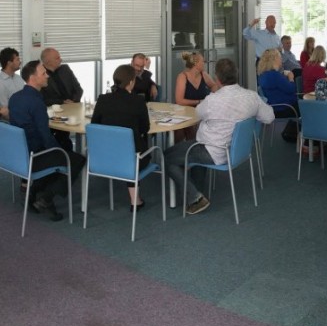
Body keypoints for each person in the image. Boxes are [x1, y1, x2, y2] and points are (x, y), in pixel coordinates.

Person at [163, 59, 274, 216]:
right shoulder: (252, 97)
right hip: (237, 151)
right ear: (236, 75)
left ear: (217, 78)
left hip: (211, 151)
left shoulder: (212, 100)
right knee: (192, 150)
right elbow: (269, 117)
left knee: (166, 157)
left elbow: (197, 114)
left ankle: (194, 197)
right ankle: (196, 190)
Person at [8, 60, 86, 220]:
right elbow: (46, 138)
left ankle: (33, 195)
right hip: (34, 155)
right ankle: (46, 197)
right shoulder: (36, 102)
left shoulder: (15, 98)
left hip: (17, 155)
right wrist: (61, 152)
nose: (47, 76)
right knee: (76, 160)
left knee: (61, 154)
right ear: (32, 78)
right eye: (43, 73)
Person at [90, 64, 152, 208]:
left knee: (127, 151)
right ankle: (135, 201)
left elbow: (95, 125)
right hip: (132, 160)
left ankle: (135, 199)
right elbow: (145, 128)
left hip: (105, 158)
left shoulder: (103, 99)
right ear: (131, 82)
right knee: (134, 151)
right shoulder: (138, 101)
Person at [256, 49, 299, 142]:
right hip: (285, 108)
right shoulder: (275, 76)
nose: (281, 60)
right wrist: (291, 78)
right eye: (280, 57)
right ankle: (308, 140)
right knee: (307, 109)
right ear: (275, 59)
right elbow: (292, 89)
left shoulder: (263, 75)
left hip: (274, 106)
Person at [0, 47, 25, 119]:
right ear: (9, 63)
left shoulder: (19, 78)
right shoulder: (1, 83)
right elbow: (5, 111)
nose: (20, 62)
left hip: (24, 115)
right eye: (17, 59)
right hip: (10, 121)